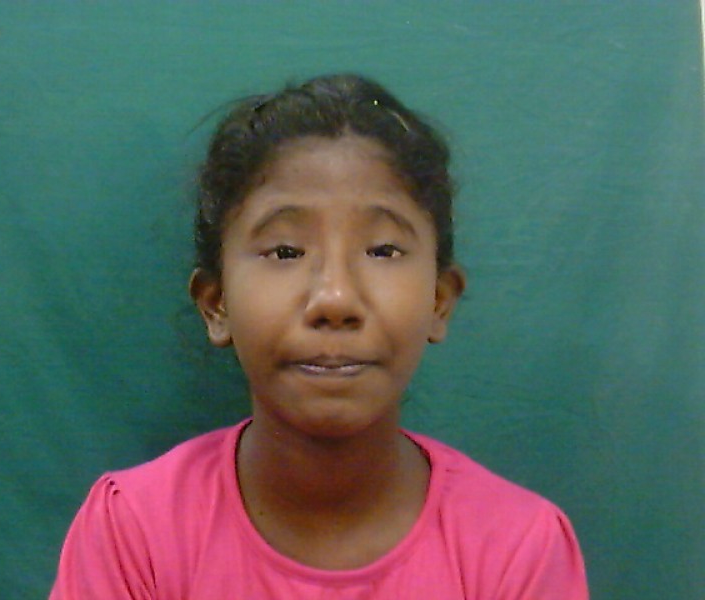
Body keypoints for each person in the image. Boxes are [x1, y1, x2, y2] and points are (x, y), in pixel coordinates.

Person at [50, 74, 588, 599]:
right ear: (216, 304)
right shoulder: (134, 535)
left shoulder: (516, 551)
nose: (335, 299)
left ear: (438, 301)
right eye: (285, 251)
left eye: (383, 250)